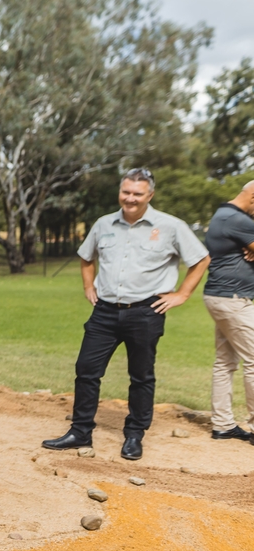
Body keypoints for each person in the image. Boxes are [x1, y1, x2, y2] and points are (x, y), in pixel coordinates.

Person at [43, 168, 210, 460]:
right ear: (120, 192)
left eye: (137, 193)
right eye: (126, 192)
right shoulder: (104, 223)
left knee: (141, 375)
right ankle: (80, 432)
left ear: (150, 195)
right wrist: (88, 286)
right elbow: (86, 257)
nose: (130, 198)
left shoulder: (171, 226)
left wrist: (182, 294)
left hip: (146, 312)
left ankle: (134, 435)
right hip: (104, 312)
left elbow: (201, 258)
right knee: (86, 370)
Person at [201, 180, 254, 444]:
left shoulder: (223, 214)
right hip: (234, 300)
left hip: (220, 298)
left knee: (225, 362)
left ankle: (222, 424)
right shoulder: (239, 220)